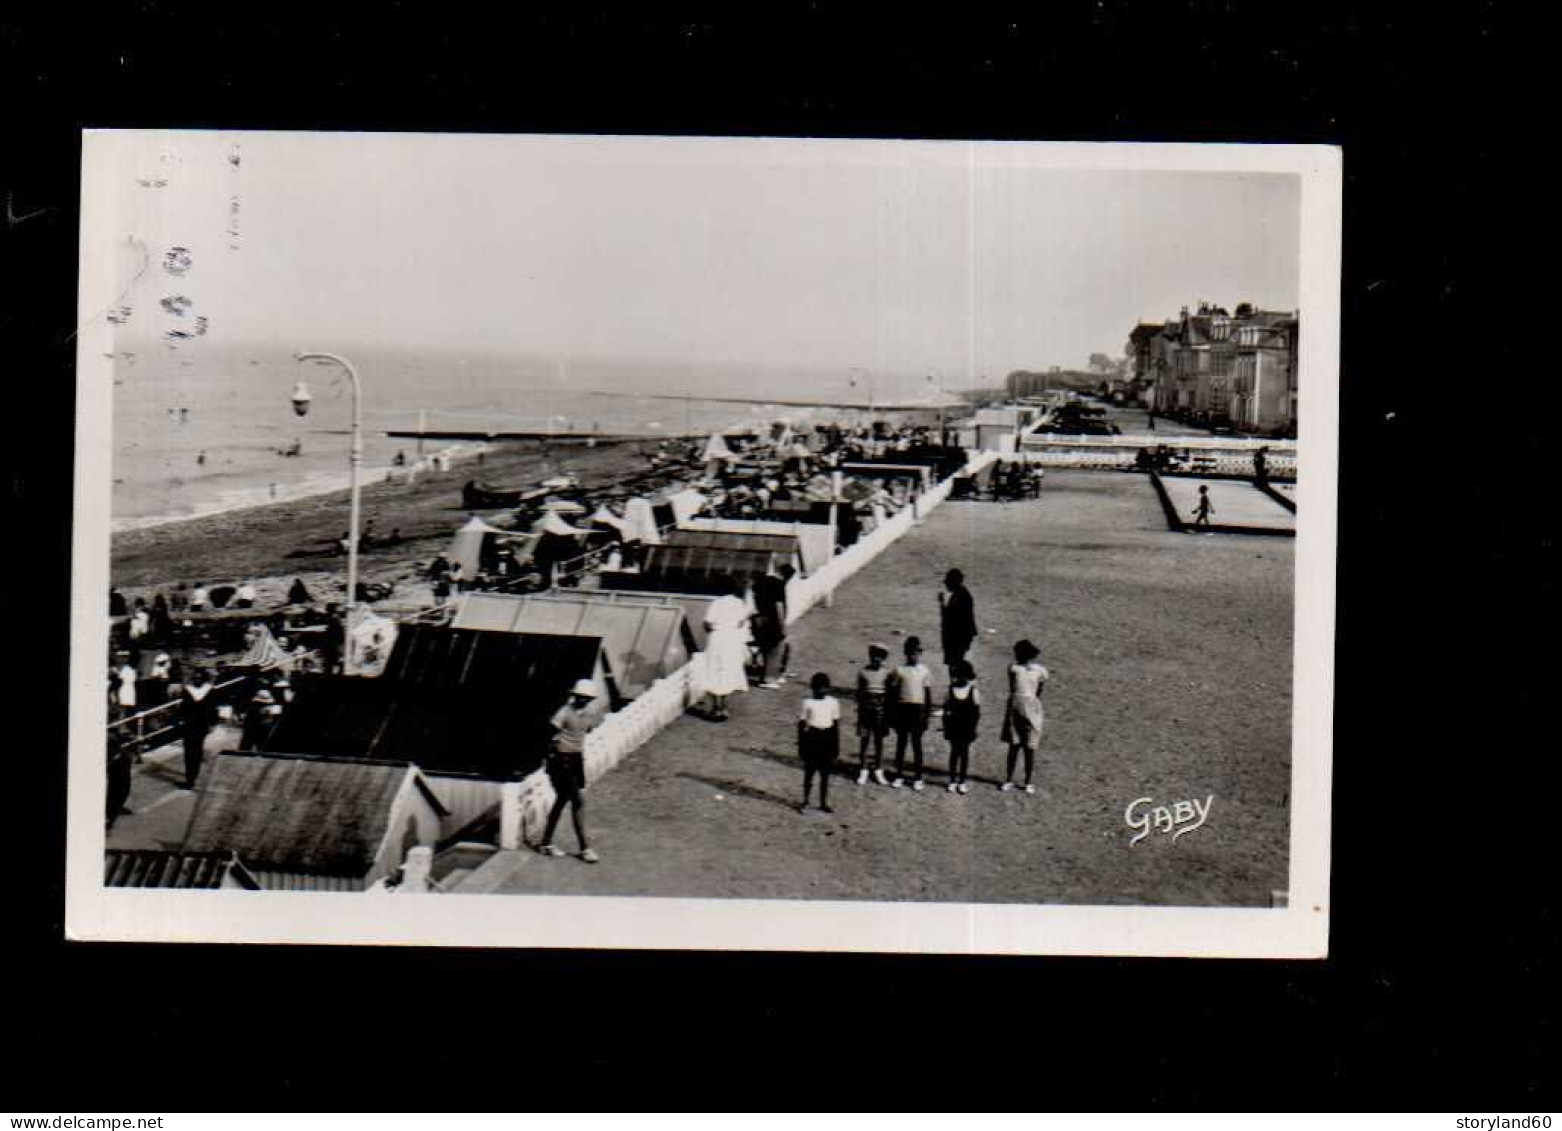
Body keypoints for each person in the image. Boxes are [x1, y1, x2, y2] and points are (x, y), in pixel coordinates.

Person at [538, 679, 604, 863]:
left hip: (576, 760)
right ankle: (585, 848)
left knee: (562, 800)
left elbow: (588, 729)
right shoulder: (564, 712)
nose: (582, 700)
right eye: (580, 697)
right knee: (578, 801)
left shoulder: (591, 713)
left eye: (586, 698)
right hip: (561, 760)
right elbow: (549, 734)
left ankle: (546, 843)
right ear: (574, 696)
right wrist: (550, 757)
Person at [1000, 639, 1049, 793]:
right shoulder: (1014, 668)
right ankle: (1009, 779)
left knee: (1029, 747)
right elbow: (1012, 687)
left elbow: (1038, 690)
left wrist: (1032, 704)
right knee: (1013, 746)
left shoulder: (1039, 671)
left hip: (1031, 708)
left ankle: (1028, 781)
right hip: (1015, 708)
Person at [700, 577, 752, 721]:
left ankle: (716, 707)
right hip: (732, 639)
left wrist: (714, 628)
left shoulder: (717, 603)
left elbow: (707, 624)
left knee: (714, 670)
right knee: (727, 670)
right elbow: (742, 623)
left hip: (717, 638)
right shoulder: (739, 603)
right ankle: (723, 706)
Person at [886, 636, 933, 791]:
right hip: (902, 709)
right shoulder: (899, 670)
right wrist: (892, 715)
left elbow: (927, 695)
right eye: (911, 653)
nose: (914, 656)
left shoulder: (924, 671)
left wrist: (926, 716)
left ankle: (918, 777)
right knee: (901, 744)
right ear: (906, 653)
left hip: (917, 710)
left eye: (917, 653)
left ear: (920, 653)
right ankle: (898, 775)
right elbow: (892, 694)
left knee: (917, 745)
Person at [797, 672, 842, 813]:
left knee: (825, 774)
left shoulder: (833, 702)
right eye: (818, 688)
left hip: (827, 738)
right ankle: (805, 801)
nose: (821, 691)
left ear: (828, 688)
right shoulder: (807, 703)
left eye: (824, 688)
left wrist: (835, 747)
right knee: (809, 773)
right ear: (812, 689)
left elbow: (835, 725)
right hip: (812, 737)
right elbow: (801, 725)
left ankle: (823, 802)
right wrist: (802, 746)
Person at [854, 643, 892, 785]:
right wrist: (862, 707)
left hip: (881, 709)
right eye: (875, 656)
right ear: (870, 656)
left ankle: (878, 769)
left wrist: (887, 710)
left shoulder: (887, 673)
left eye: (881, 657)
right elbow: (859, 692)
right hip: (866, 708)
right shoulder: (863, 672)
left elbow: (890, 693)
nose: (877, 659)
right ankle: (863, 769)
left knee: (879, 740)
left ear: (884, 658)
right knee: (865, 739)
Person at [941, 659, 981, 794]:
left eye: (965, 675)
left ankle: (962, 781)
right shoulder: (950, 691)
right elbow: (945, 712)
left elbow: (976, 713)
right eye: (960, 675)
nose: (962, 678)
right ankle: (952, 780)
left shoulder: (973, 692)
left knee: (964, 754)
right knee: (954, 753)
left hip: (967, 728)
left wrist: (973, 729)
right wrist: (945, 727)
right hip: (954, 728)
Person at [752, 564, 794, 689]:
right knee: (775, 649)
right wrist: (782, 625)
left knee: (766, 648)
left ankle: (770, 675)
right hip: (773, 620)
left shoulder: (762, 581)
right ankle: (768, 678)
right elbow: (779, 606)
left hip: (761, 618)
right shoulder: (778, 584)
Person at [177, 669, 217, 789]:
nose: (196, 680)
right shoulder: (188, 690)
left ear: (204, 679)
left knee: (196, 750)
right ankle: (190, 777)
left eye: (199, 678)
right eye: (195, 678)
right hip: (189, 725)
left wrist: (212, 723)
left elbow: (213, 708)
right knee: (189, 751)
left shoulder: (210, 690)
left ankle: (192, 778)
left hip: (201, 725)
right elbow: (182, 708)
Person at [938, 568, 977, 673]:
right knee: (957, 667)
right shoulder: (963, 595)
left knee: (956, 667)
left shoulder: (960, 597)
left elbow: (949, 618)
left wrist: (941, 604)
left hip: (957, 640)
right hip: (958, 639)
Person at [106, 732, 133, 828]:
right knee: (114, 795)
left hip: (122, 776)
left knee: (123, 792)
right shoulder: (115, 757)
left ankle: (116, 809)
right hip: (116, 777)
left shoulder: (124, 756)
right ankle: (110, 819)